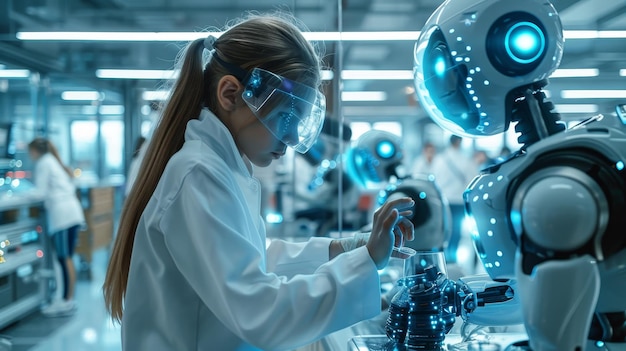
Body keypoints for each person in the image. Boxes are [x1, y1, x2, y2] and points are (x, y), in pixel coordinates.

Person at [103, 13, 415, 351]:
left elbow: (253, 258)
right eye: (286, 117)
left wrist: (342, 248)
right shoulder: (199, 173)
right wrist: (364, 262)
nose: (292, 137)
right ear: (230, 94)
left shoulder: (220, 167)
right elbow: (261, 313)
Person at [28, 138, 85, 317]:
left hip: (62, 216)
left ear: (35, 151)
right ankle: (66, 299)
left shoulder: (44, 163)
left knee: (63, 258)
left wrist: (21, 193)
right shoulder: (54, 161)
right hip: (71, 213)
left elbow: (40, 192)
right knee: (66, 257)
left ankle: (64, 301)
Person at [430, 135, 477, 263]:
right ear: (459, 142)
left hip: (443, 201)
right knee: (456, 231)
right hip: (458, 201)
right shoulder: (465, 160)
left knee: (444, 231)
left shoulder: (439, 159)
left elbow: (434, 180)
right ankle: (452, 260)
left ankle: (442, 259)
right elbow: (471, 180)